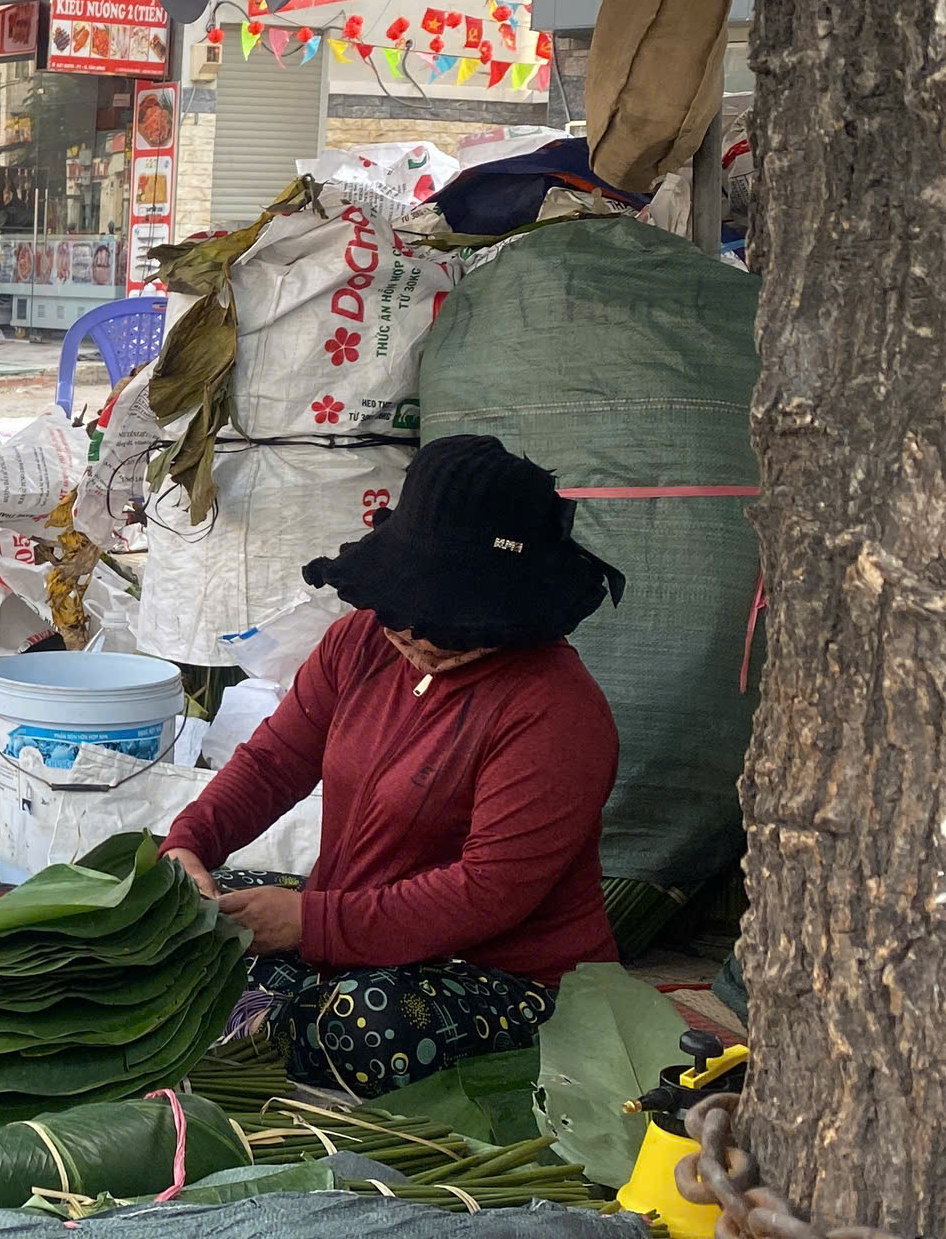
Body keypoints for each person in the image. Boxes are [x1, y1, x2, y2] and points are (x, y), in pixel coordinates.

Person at [160, 435, 629, 1097]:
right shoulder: (357, 646)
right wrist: (189, 845)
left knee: (361, 1020)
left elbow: (487, 892)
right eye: (404, 613)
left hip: (503, 974)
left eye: (452, 623)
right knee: (192, 920)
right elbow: (274, 763)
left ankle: (272, 1028)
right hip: (356, 927)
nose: (418, 636)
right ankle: (268, 1018)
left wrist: (308, 922)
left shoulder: (554, 711)